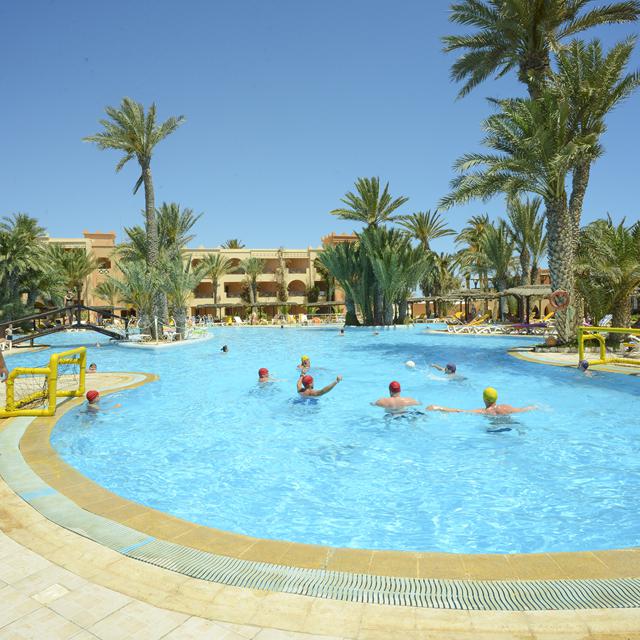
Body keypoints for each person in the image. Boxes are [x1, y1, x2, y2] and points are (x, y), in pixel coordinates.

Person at [427, 387, 536, 415]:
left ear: (484, 399)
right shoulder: (506, 408)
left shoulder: (484, 411)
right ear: (496, 398)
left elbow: (460, 411)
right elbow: (523, 409)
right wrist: (534, 407)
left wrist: (439, 407)